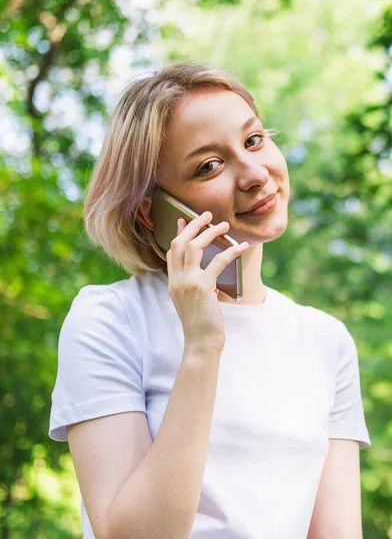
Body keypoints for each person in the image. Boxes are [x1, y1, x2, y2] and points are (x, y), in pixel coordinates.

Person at [48, 62, 371, 539]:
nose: (255, 174)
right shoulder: (109, 319)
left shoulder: (326, 340)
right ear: (151, 211)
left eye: (254, 140)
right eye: (209, 166)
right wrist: (201, 346)